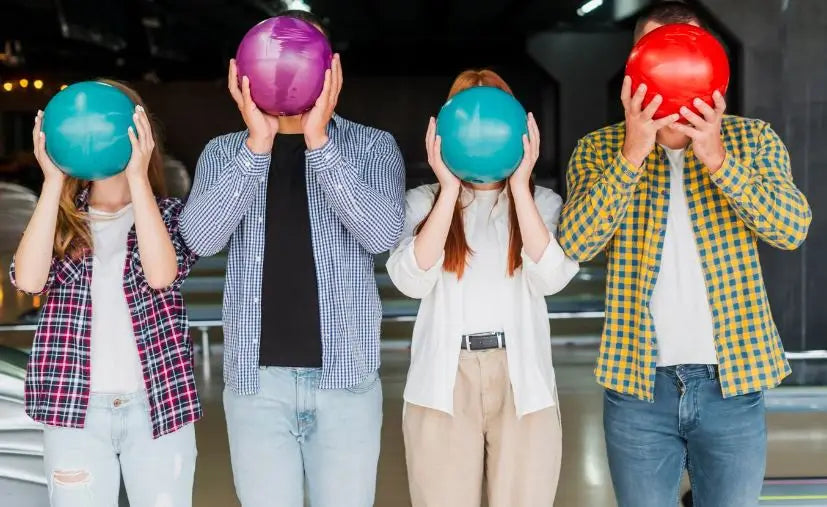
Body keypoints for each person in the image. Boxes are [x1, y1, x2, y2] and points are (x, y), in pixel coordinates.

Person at [557, 2, 812, 506]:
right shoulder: (599, 148)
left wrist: (716, 157)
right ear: (635, 63)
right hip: (637, 387)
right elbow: (576, 243)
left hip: (732, 383)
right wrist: (632, 153)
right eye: (659, 48)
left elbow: (791, 228)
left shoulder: (751, 138)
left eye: (686, 47)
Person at [179, 10, 405, 507]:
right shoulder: (224, 153)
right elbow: (201, 236)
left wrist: (320, 143)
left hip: (346, 380)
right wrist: (257, 147)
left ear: (332, 70)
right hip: (257, 386)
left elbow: (383, 233)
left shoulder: (371, 146)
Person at [387, 69, 579, 507]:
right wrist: (449, 186)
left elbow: (551, 277)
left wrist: (520, 181)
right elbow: (410, 280)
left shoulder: (542, 203)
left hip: (522, 378)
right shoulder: (423, 202)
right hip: (443, 378)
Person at [10, 82, 201, 507]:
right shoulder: (60, 222)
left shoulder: (169, 216)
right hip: (74, 409)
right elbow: (28, 279)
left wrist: (138, 177)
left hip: (158, 405)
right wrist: (53, 180)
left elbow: (160, 274)